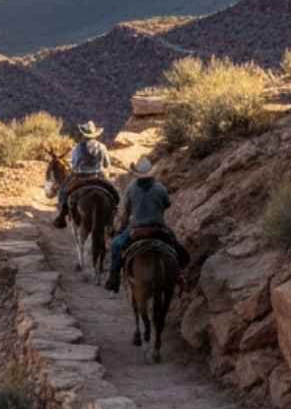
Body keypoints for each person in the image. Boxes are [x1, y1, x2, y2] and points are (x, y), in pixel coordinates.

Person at [105, 155, 191, 293]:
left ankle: (114, 278)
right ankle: (178, 274)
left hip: (136, 230)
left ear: (136, 174)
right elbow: (166, 205)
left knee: (116, 246)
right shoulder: (160, 187)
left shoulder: (131, 188)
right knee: (177, 248)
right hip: (158, 229)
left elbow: (126, 212)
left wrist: (122, 227)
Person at [53, 121, 110, 228]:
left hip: (80, 176)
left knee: (64, 191)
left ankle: (61, 216)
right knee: (113, 191)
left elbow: (74, 165)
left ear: (83, 134)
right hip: (98, 176)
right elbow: (107, 164)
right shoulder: (102, 147)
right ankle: (113, 218)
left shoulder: (77, 148)